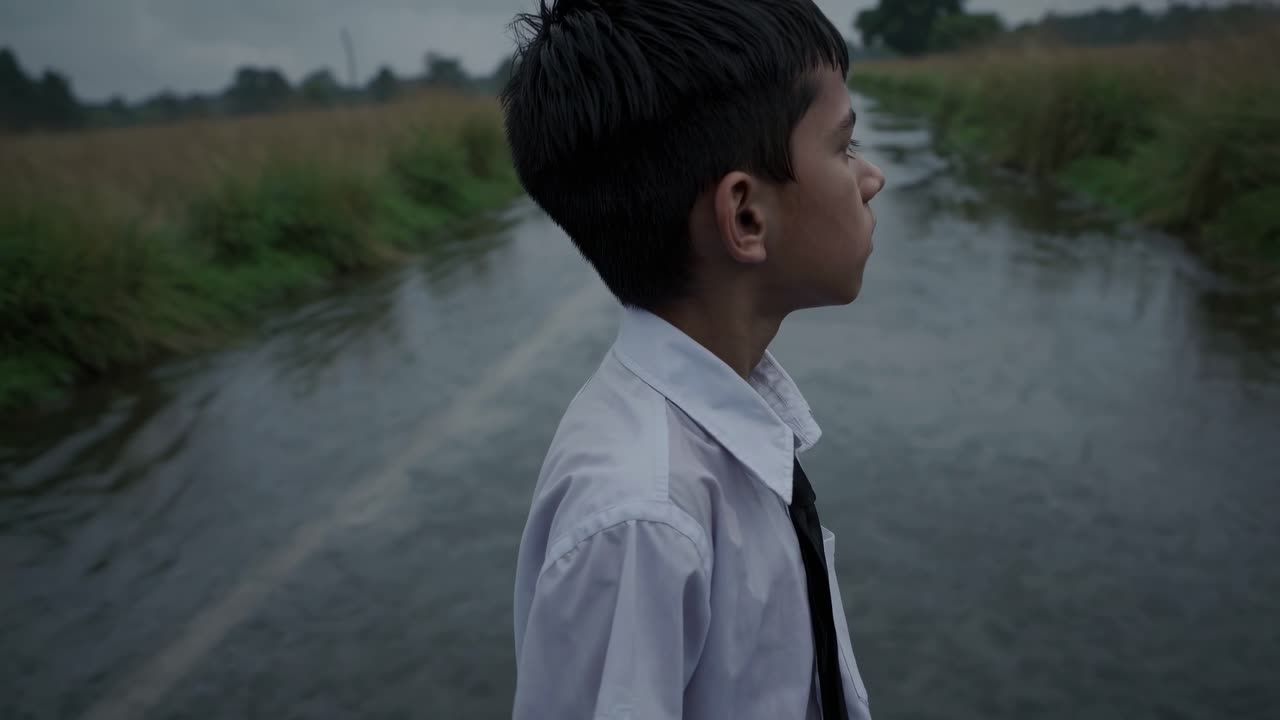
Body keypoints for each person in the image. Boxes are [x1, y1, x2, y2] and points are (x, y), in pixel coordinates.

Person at [502, 0, 885, 717]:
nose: (871, 178)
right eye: (843, 147)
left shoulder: (722, 431)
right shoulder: (643, 518)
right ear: (746, 215)